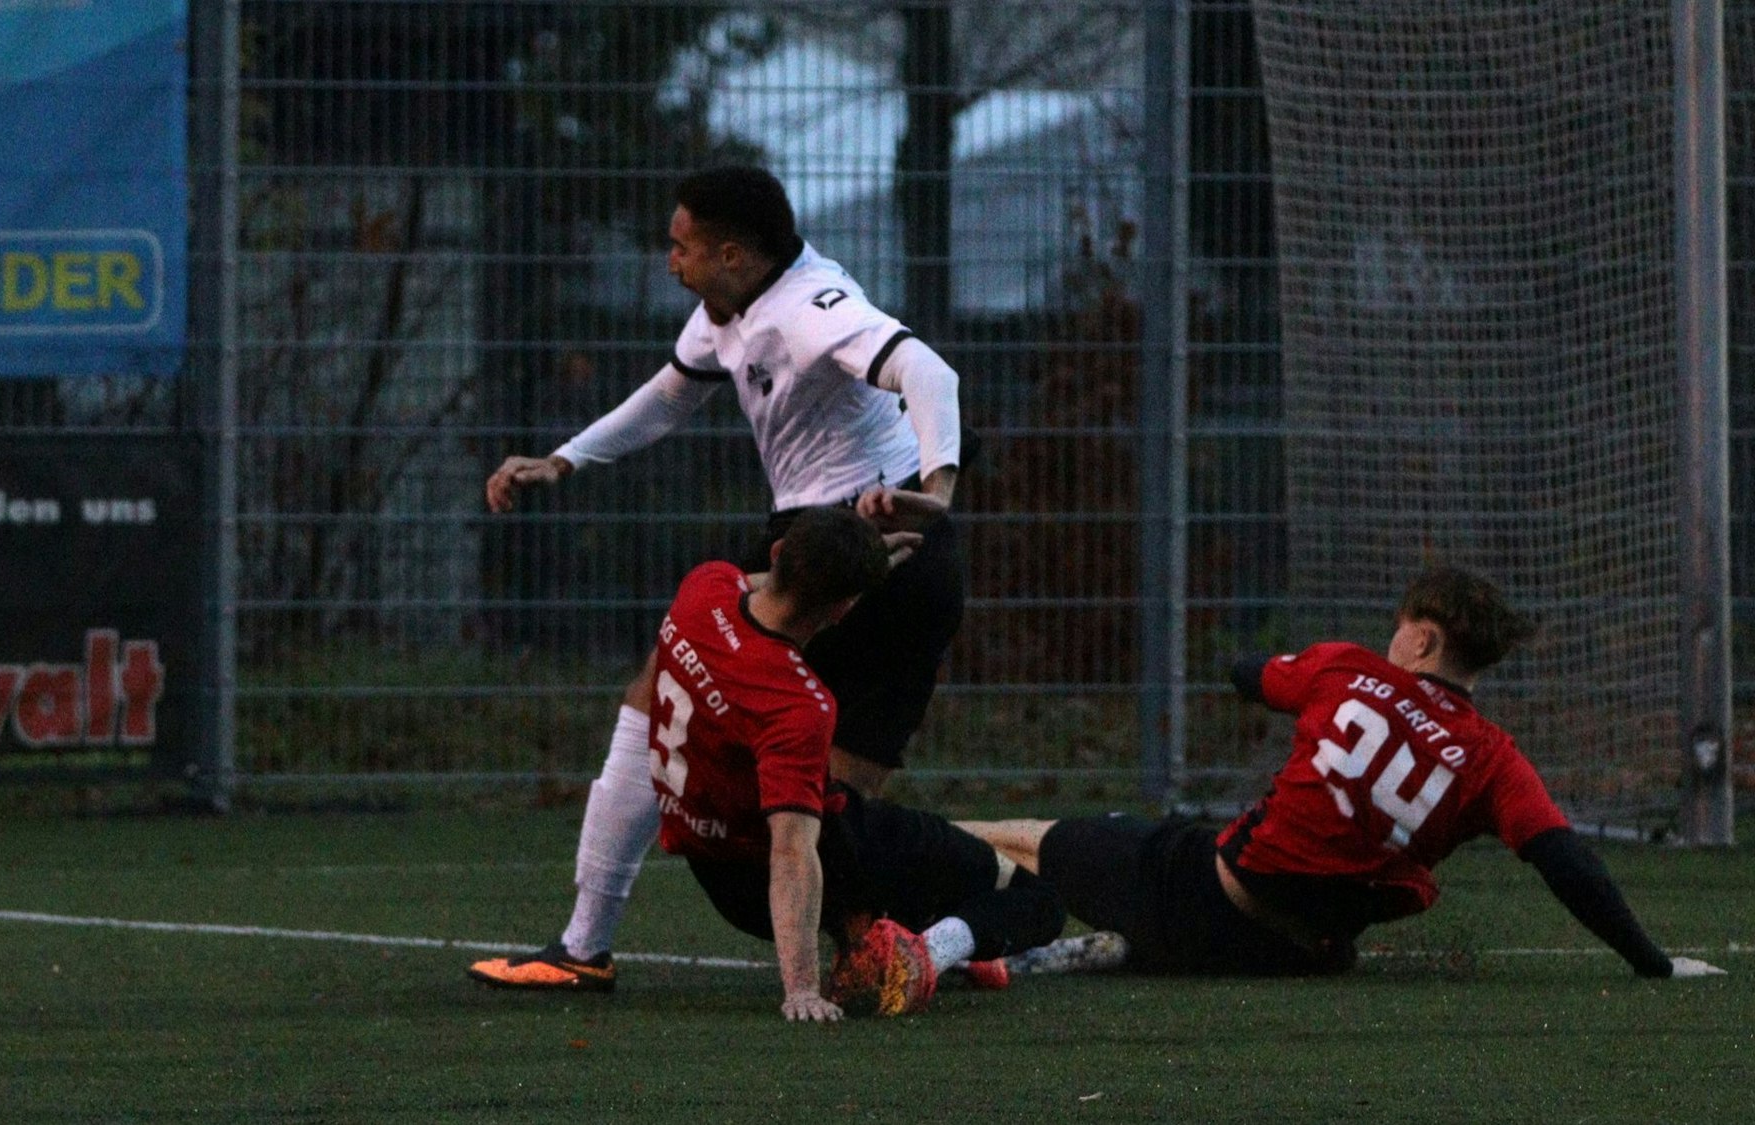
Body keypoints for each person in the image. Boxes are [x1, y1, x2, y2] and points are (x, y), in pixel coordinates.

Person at [471, 165, 967, 991]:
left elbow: (932, 373)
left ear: (732, 254)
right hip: (818, 537)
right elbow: (668, 396)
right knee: (671, 692)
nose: (671, 261)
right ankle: (588, 946)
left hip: (877, 551)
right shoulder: (727, 309)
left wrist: (938, 492)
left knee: (828, 800)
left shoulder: (813, 309)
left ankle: (939, 937)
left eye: (682, 246)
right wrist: (564, 459)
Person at [960, 566, 1725, 980]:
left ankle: (889, 856)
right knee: (1164, 873)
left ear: (1422, 638)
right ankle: (1111, 946)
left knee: (1028, 840)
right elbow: (1568, 862)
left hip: (1208, 896)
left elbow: (1244, 672)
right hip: (1302, 958)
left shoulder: (1347, 670)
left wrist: (1269, 668)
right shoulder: (1495, 756)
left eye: (1402, 625)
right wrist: (1648, 961)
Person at [480, 507, 1062, 1020]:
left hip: (725, 885)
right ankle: (924, 955)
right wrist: (800, 989)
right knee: (1035, 899)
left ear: (780, 553)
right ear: (842, 612)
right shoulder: (798, 703)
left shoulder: (701, 589)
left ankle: (884, 937)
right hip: (820, 859)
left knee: (908, 880)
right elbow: (792, 850)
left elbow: (763, 583)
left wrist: (850, 563)